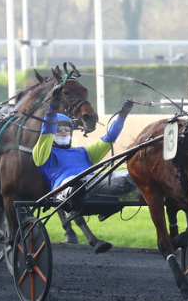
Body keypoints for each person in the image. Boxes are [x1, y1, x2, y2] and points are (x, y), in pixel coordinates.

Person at [32, 89, 140, 244]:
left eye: (66, 130)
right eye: (59, 130)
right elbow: (47, 130)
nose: (63, 133)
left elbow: (110, 137)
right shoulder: (42, 153)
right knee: (76, 184)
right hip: (65, 186)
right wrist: (53, 108)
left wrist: (122, 116)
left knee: (133, 174)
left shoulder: (83, 152)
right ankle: (76, 194)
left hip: (93, 182)